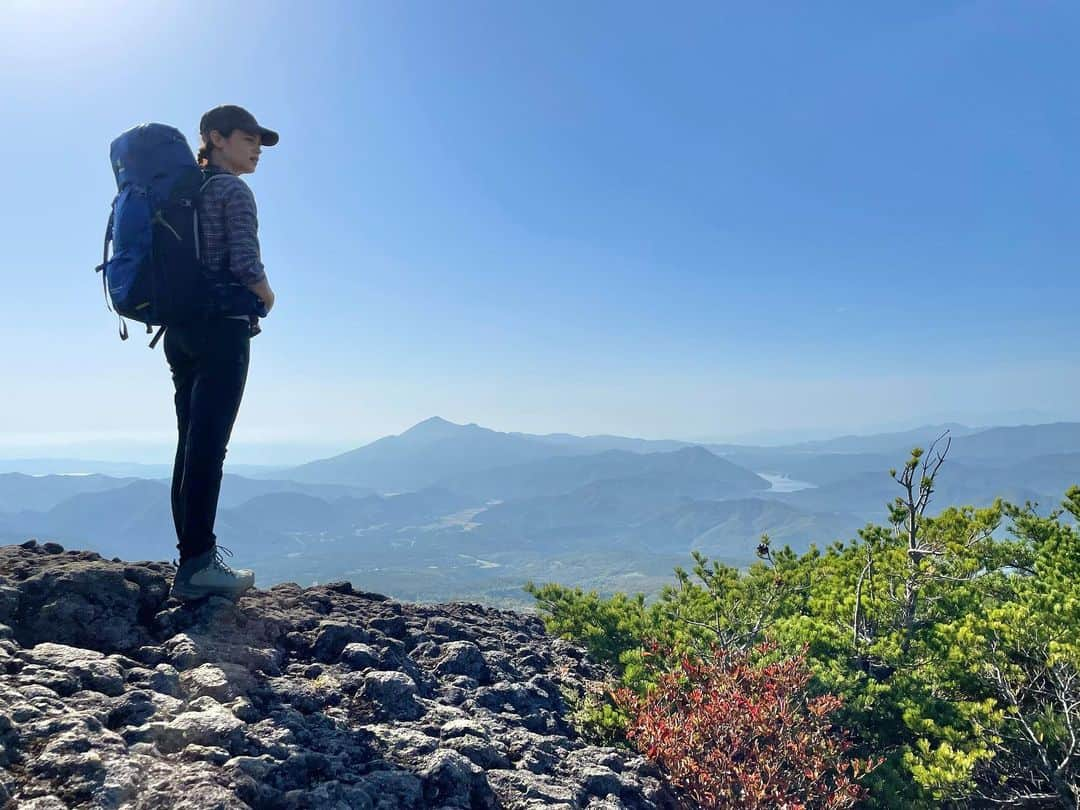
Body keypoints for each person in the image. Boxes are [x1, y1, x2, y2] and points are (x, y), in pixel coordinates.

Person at [168, 105, 278, 602]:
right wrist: (267, 295)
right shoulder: (233, 189)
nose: (256, 149)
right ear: (215, 137)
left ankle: (191, 556)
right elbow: (244, 262)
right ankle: (198, 565)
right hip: (222, 331)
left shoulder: (186, 193)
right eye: (247, 138)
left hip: (180, 330)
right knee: (210, 445)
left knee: (190, 441)